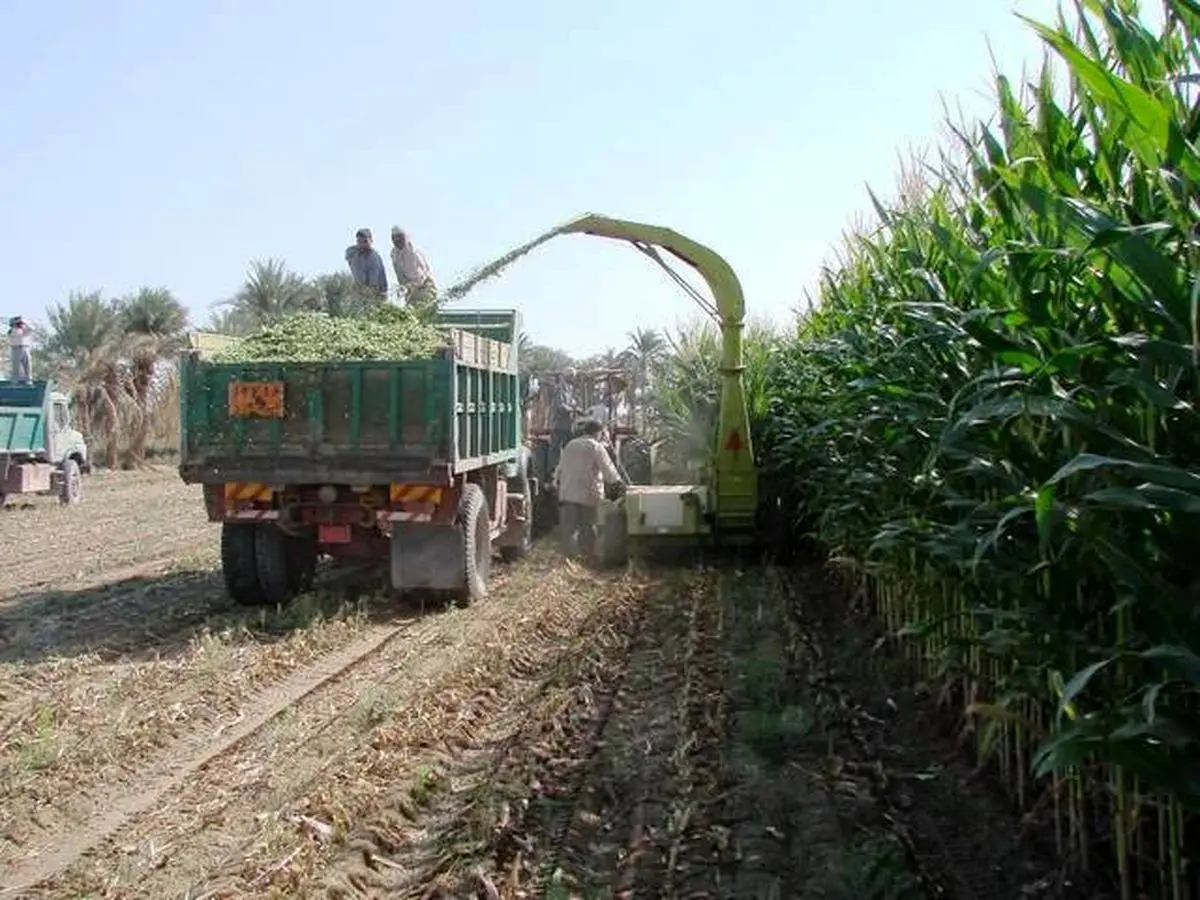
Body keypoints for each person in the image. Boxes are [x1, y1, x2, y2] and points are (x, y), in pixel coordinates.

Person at [553, 419, 625, 560]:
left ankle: (568, 558)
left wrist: (556, 483)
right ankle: (588, 556)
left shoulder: (570, 444)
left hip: (568, 493)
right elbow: (608, 470)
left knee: (569, 528)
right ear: (598, 432)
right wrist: (619, 483)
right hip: (588, 494)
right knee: (588, 526)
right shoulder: (596, 447)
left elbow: (559, 469)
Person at [389, 226, 438, 314]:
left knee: (423, 313)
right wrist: (402, 288)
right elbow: (399, 274)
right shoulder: (394, 254)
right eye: (394, 238)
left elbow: (420, 278)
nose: (397, 240)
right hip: (410, 291)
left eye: (400, 237)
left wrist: (408, 287)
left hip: (424, 289)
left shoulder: (413, 253)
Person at [344, 228, 388, 297]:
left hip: (376, 295)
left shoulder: (374, 258)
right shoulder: (354, 253)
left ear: (371, 241)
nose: (362, 245)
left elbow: (373, 283)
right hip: (360, 292)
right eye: (359, 242)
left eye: (365, 242)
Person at [8, 316, 32, 382]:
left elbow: (30, 330)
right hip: (16, 349)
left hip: (25, 348)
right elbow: (17, 333)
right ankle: (15, 381)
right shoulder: (12, 330)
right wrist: (18, 325)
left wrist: (24, 325)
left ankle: (28, 380)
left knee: (27, 367)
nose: (20, 324)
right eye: (18, 323)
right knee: (16, 368)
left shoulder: (25, 329)